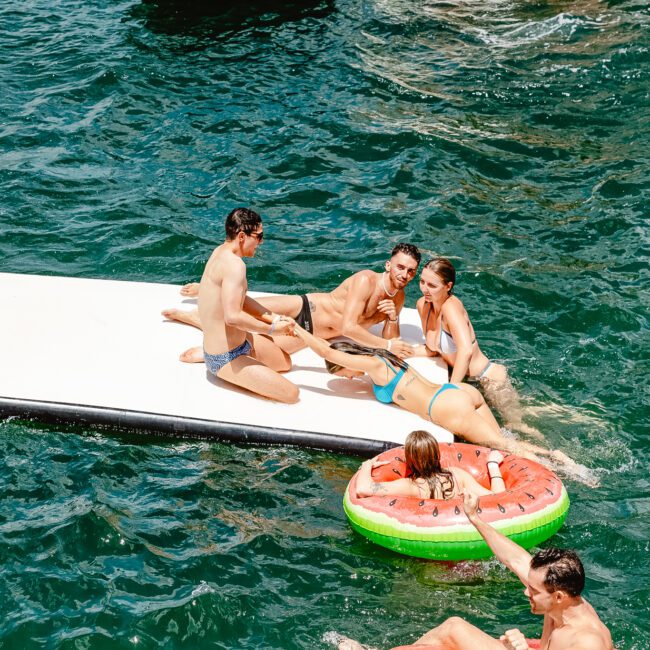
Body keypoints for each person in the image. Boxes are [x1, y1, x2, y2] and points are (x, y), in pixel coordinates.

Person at [338, 491, 613, 650]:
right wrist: (474, 517)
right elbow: (515, 558)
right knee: (454, 627)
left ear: (559, 596)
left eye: (533, 590)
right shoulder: (560, 600)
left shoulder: (586, 642)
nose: (525, 590)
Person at [290, 324, 574, 467]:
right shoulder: (384, 357)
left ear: (346, 362)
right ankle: (551, 453)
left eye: (343, 373)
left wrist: (298, 330)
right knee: (504, 441)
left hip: (445, 408)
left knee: (502, 446)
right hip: (457, 392)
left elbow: (328, 352)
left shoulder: (375, 367)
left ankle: (566, 468)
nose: (348, 378)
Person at [162, 243, 422, 362]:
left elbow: (393, 338)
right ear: (389, 265)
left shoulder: (398, 297)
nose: (404, 275)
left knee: (266, 351)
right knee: (241, 305)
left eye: (411, 271)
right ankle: (206, 293)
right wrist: (387, 345)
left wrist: (393, 318)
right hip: (305, 307)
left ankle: (209, 348)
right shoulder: (366, 281)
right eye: (400, 267)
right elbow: (351, 327)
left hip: (311, 332)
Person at [416, 258, 541, 437]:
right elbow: (434, 348)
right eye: (422, 282)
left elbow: (465, 350)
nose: (424, 289)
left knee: (518, 428)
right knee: (492, 435)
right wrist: (404, 349)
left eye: (432, 285)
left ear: (448, 286)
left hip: (488, 381)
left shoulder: (451, 308)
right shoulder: (423, 305)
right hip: (466, 382)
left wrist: (450, 391)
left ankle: (558, 457)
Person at [195, 207, 299, 403]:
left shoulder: (220, 251)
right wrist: (272, 329)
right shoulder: (235, 265)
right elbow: (233, 317)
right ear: (242, 236)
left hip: (243, 343)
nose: (261, 242)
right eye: (259, 236)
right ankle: (208, 358)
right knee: (291, 394)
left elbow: (240, 298)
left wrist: (272, 316)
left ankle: (216, 354)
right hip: (225, 357)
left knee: (285, 362)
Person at [355, 430, 506, 499]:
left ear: (409, 460)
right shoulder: (457, 475)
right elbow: (498, 497)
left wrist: (367, 465)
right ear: (437, 455)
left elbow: (362, 489)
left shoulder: (411, 486)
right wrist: (492, 465)